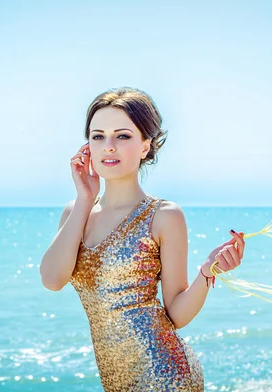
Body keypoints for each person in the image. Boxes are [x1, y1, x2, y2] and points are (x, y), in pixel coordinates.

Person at [40, 87, 245, 391]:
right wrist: (85, 198)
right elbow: (52, 279)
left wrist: (207, 272)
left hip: (166, 375)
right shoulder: (76, 212)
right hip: (115, 380)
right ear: (87, 147)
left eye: (122, 136)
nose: (108, 146)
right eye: (98, 136)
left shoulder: (163, 215)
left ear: (145, 147)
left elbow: (175, 313)